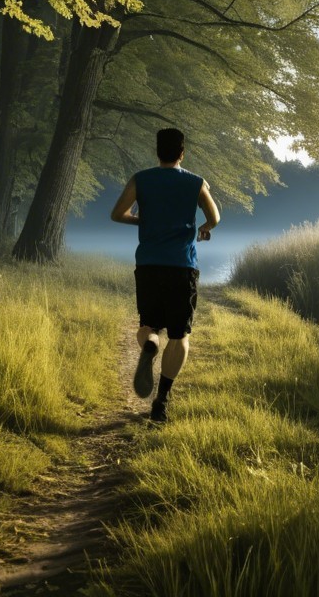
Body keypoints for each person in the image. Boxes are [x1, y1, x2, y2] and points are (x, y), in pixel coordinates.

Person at [110, 128, 220, 422]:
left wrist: (145, 221)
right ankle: (161, 401)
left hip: (149, 264)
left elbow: (117, 214)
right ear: (182, 153)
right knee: (180, 335)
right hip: (182, 266)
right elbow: (214, 217)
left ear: (157, 151)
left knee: (149, 325)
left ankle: (151, 344)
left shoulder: (141, 179)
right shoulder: (196, 183)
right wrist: (203, 230)